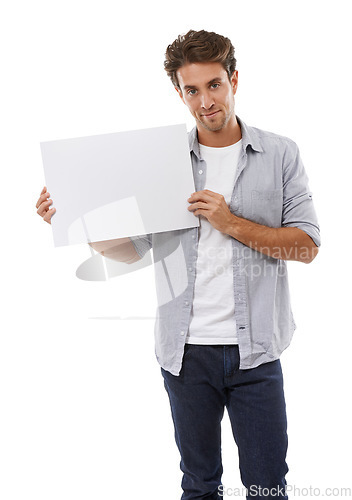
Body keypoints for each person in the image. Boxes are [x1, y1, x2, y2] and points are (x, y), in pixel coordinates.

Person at [36, 29, 320, 500]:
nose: (205, 101)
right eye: (192, 90)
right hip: (186, 356)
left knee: (268, 486)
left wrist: (230, 222)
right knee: (199, 486)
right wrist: (74, 218)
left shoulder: (280, 153)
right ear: (179, 92)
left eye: (214, 85)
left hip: (258, 354)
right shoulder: (165, 161)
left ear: (233, 80)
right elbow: (133, 248)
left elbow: (306, 246)